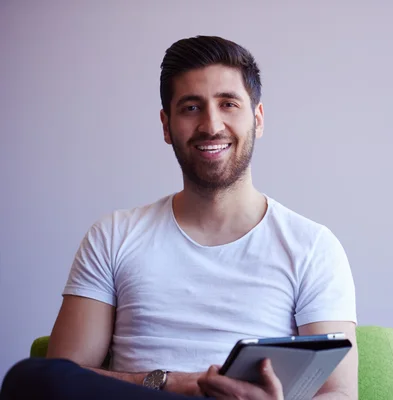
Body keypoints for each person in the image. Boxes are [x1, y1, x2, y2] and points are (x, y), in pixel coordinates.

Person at [0, 35, 358, 400]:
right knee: (29, 377)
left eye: (228, 104)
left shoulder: (312, 246)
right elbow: (61, 377)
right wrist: (167, 382)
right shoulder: (113, 235)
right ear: (167, 125)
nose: (211, 125)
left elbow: (340, 394)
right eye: (191, 107)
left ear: (258, 118)